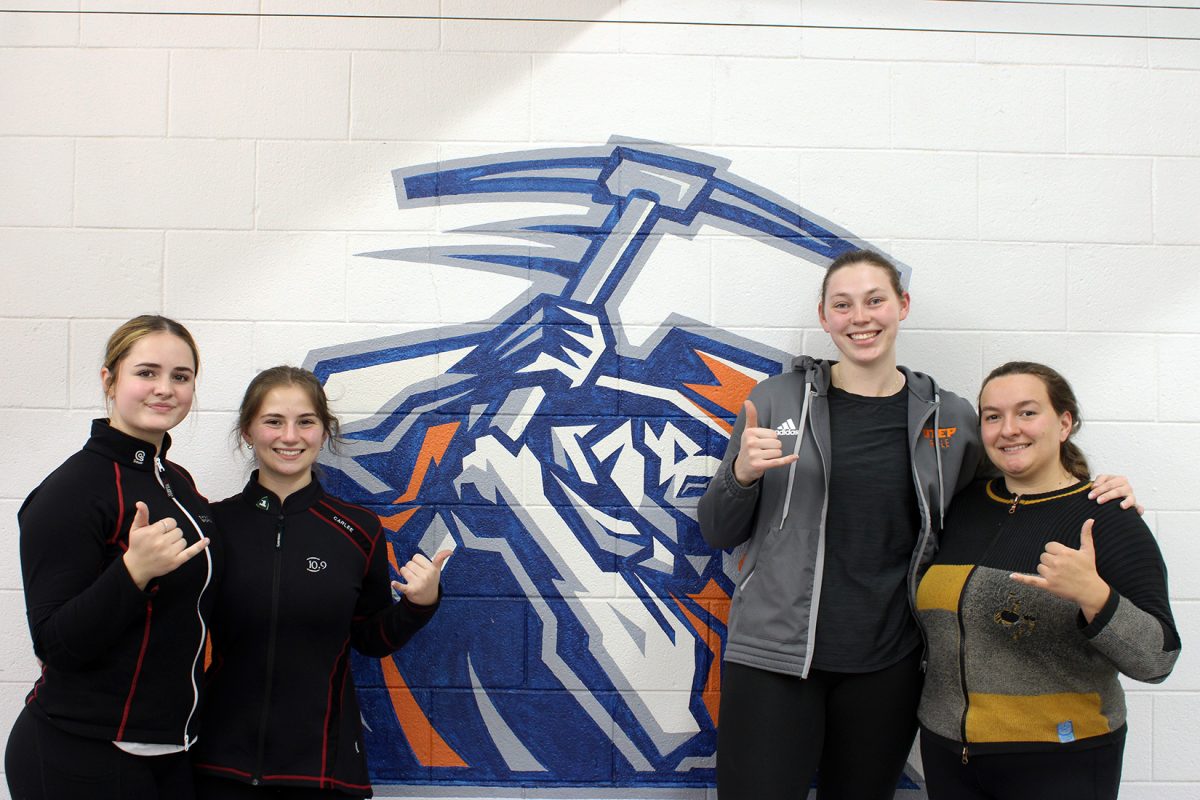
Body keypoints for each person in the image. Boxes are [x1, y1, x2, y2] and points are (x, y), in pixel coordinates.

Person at [696, 251, 1137, 800]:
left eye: (875, 300)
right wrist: (740, 474)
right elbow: (717, 529)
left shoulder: (950, 417)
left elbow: (1010, 496)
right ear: (824, 316)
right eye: (843, 304)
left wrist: (1093, 493)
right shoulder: (776, 400)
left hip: (891, 662)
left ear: (901, 305)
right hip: (774, 658)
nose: (861, 317)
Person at [916, 362, 1179, 800]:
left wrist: (1096, 596)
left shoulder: (1105, 516)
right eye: (993, 416)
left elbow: (1158, 658)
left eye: (1027, 412)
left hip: (1061, 756)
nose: (1009, 429)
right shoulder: (962, 506)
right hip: (947, 752)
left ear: (1064, 423)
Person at [192, 366, 450, 799]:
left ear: (324, 431)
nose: (289, 436)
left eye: (305, 422)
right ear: (247, 431)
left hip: (323, 771)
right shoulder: (214, 525)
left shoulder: (359, 529)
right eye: (273, 421)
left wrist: (419, 606)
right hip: (220, 766)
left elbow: (369, 638)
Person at [6, 315, 215, 800]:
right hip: (80, 754)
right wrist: (132, 572)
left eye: (180, 377)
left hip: (169, 754)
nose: (164, 389)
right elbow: (54, 643)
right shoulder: (72, 491)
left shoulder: (176, 482)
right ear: (109, 379)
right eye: (146, 372)